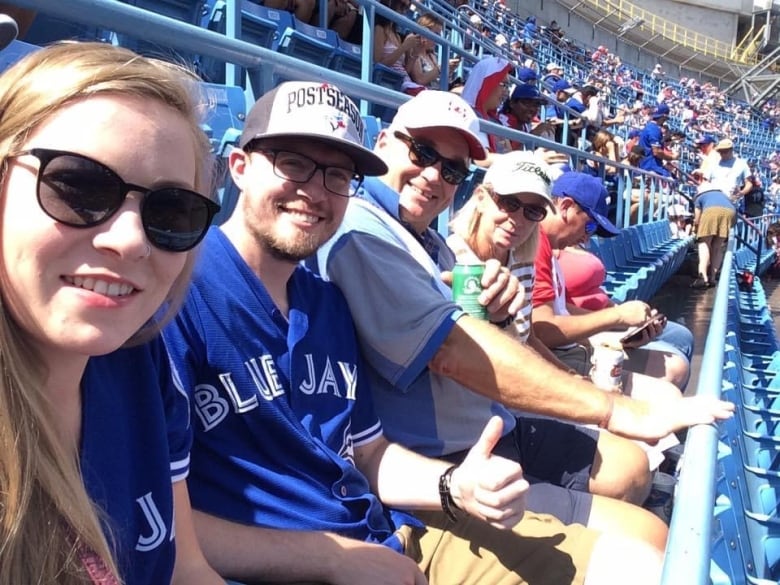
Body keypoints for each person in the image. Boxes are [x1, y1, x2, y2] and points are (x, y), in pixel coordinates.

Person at [163, 80, 639, 585]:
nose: (316, 191)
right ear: (239, 166)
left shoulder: (325, 304)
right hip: (298, 562)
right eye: (294, 163)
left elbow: (369, 453)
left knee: (638, 567)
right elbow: (153, 523)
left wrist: (454, 485)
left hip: (387, 531)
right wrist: (333, 560)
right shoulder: (175, 299)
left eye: (337, 174)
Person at [310, 90, 734, 546]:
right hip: (443, 461)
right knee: (650, 537)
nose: (434, 174)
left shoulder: (426, 241)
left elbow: (488, 339)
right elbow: (452, 351)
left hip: (488, 429)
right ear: (385, 142)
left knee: (632, 472)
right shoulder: (363, 230)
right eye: (423, 151)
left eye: (452, 168)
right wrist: (616, 410)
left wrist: (499, 318)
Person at [0, 42, 223, 585]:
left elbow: (185, 568)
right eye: (78, 186)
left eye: (171, 211)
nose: (130, 241)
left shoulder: (141, 363)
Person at [531, 172, 693, 390]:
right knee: (672, 376)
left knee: (677, 355)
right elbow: (543, 330)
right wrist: (617, 316)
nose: (586, 239)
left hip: (568, 347)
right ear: (566, 206)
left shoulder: (549, 247)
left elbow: (559, 310)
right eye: (589, 227)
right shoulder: (536, 244)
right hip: (550, 358)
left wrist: (621, 326)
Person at [691, 181, 736, 289]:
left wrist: (695, 229)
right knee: (717, 247)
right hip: (731, 212)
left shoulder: (700, 197)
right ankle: (713, 277)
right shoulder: (723, 195)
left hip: (711, 211)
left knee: (704, 243)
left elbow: (697, 219)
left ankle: (702, 277)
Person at [704, 138, 751, 213]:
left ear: (731, 150)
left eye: (725, 151)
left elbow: (749, 183)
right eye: (720, 151)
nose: (722, 154)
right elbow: (705, 182)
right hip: (712, 202)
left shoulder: (741, 164)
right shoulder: (713, 164)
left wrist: (741, 193)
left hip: (730, 204)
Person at [405, 12, 443, 91]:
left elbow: (437, 80)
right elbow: (419, 80)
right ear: (425, 30)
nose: (437, 38)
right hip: (424, 95)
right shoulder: (413, 45)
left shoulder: (431, 54)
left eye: (439, 35)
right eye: (436, 34)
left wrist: (448, 70)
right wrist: (440, 69)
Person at [638, 104, 678, 177]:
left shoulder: (649, 126)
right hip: (651, 168)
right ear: (663, 117)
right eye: (665, 118)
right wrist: (672, 157)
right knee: (672, 180)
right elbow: (657, 152)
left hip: (647, 165)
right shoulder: (654, 129)